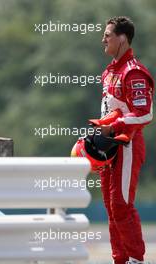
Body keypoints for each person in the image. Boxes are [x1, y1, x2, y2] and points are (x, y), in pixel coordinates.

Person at [98, 16, 154, 264]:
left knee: (121, 205)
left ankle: (135, 259)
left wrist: (115, 125)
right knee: (111, 208)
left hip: (127, 146)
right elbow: (111, 111)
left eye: (107, 35)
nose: (103, 39)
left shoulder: (134, 72)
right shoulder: (110, 72)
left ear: (122, 39)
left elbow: (145, 114)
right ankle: (119, 260)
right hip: (110, 148)